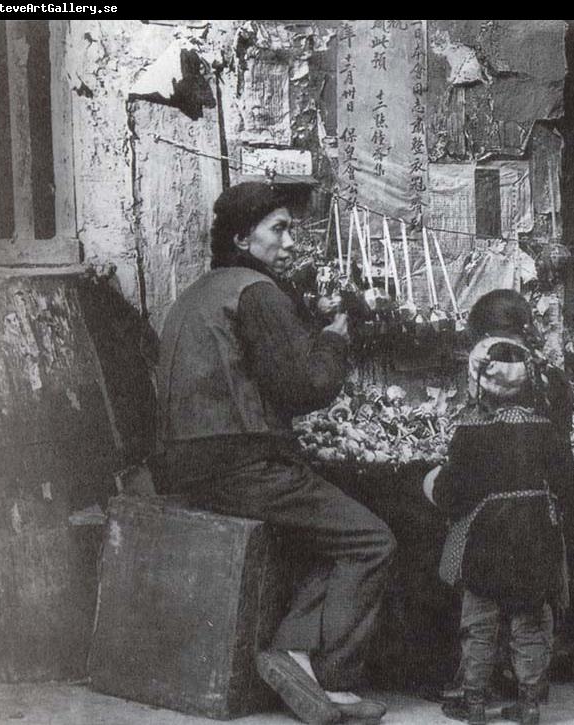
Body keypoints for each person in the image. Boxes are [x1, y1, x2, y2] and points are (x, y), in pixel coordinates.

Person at [155, 181, 396, 725]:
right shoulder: (256, 292)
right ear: (244, 237)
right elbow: (305, 387)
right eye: (279, 229)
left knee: (322, 531)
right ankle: (325, 677)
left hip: (190, 462)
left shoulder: (199, 292)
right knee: (372, 539)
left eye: (293, 229)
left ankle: (295, 653)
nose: (291, 242)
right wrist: (335, 338)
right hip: (242, 464)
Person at [422, 289, 574, 725]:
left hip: (486, 541)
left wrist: (432, 483)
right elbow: (565, 481)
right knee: (531, 619)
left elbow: (454, 493)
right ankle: (529, 703)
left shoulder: (472, 431)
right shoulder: (547, 421)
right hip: (536, 537)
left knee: (479, 620)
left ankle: (473, 701)